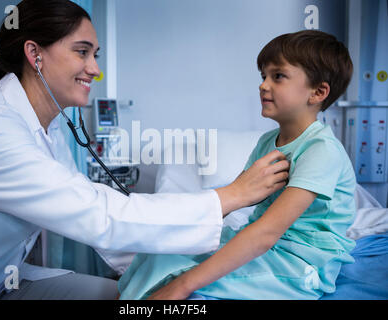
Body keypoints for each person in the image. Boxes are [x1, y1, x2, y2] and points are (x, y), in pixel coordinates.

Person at [0, 0, 289, 300]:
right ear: (35, 54)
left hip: (1, 281)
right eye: (82, 52)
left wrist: (164, 275)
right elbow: (99, 216)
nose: (95, 69)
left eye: (95, 54)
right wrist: (231, 195)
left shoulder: (49, 125)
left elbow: (101, 227)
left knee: (135, 298)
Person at [118, 30, 357, 300]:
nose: (263, 85)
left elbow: (266, 233)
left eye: (278, 76)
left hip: (299, 264)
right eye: (263, 76)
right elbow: (235, 196)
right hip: (266, 248)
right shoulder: (268, 141)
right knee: (159, 254)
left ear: (318, 92)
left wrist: (182, 285)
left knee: (185, 284)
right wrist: (168, 231)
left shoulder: (320, 150)